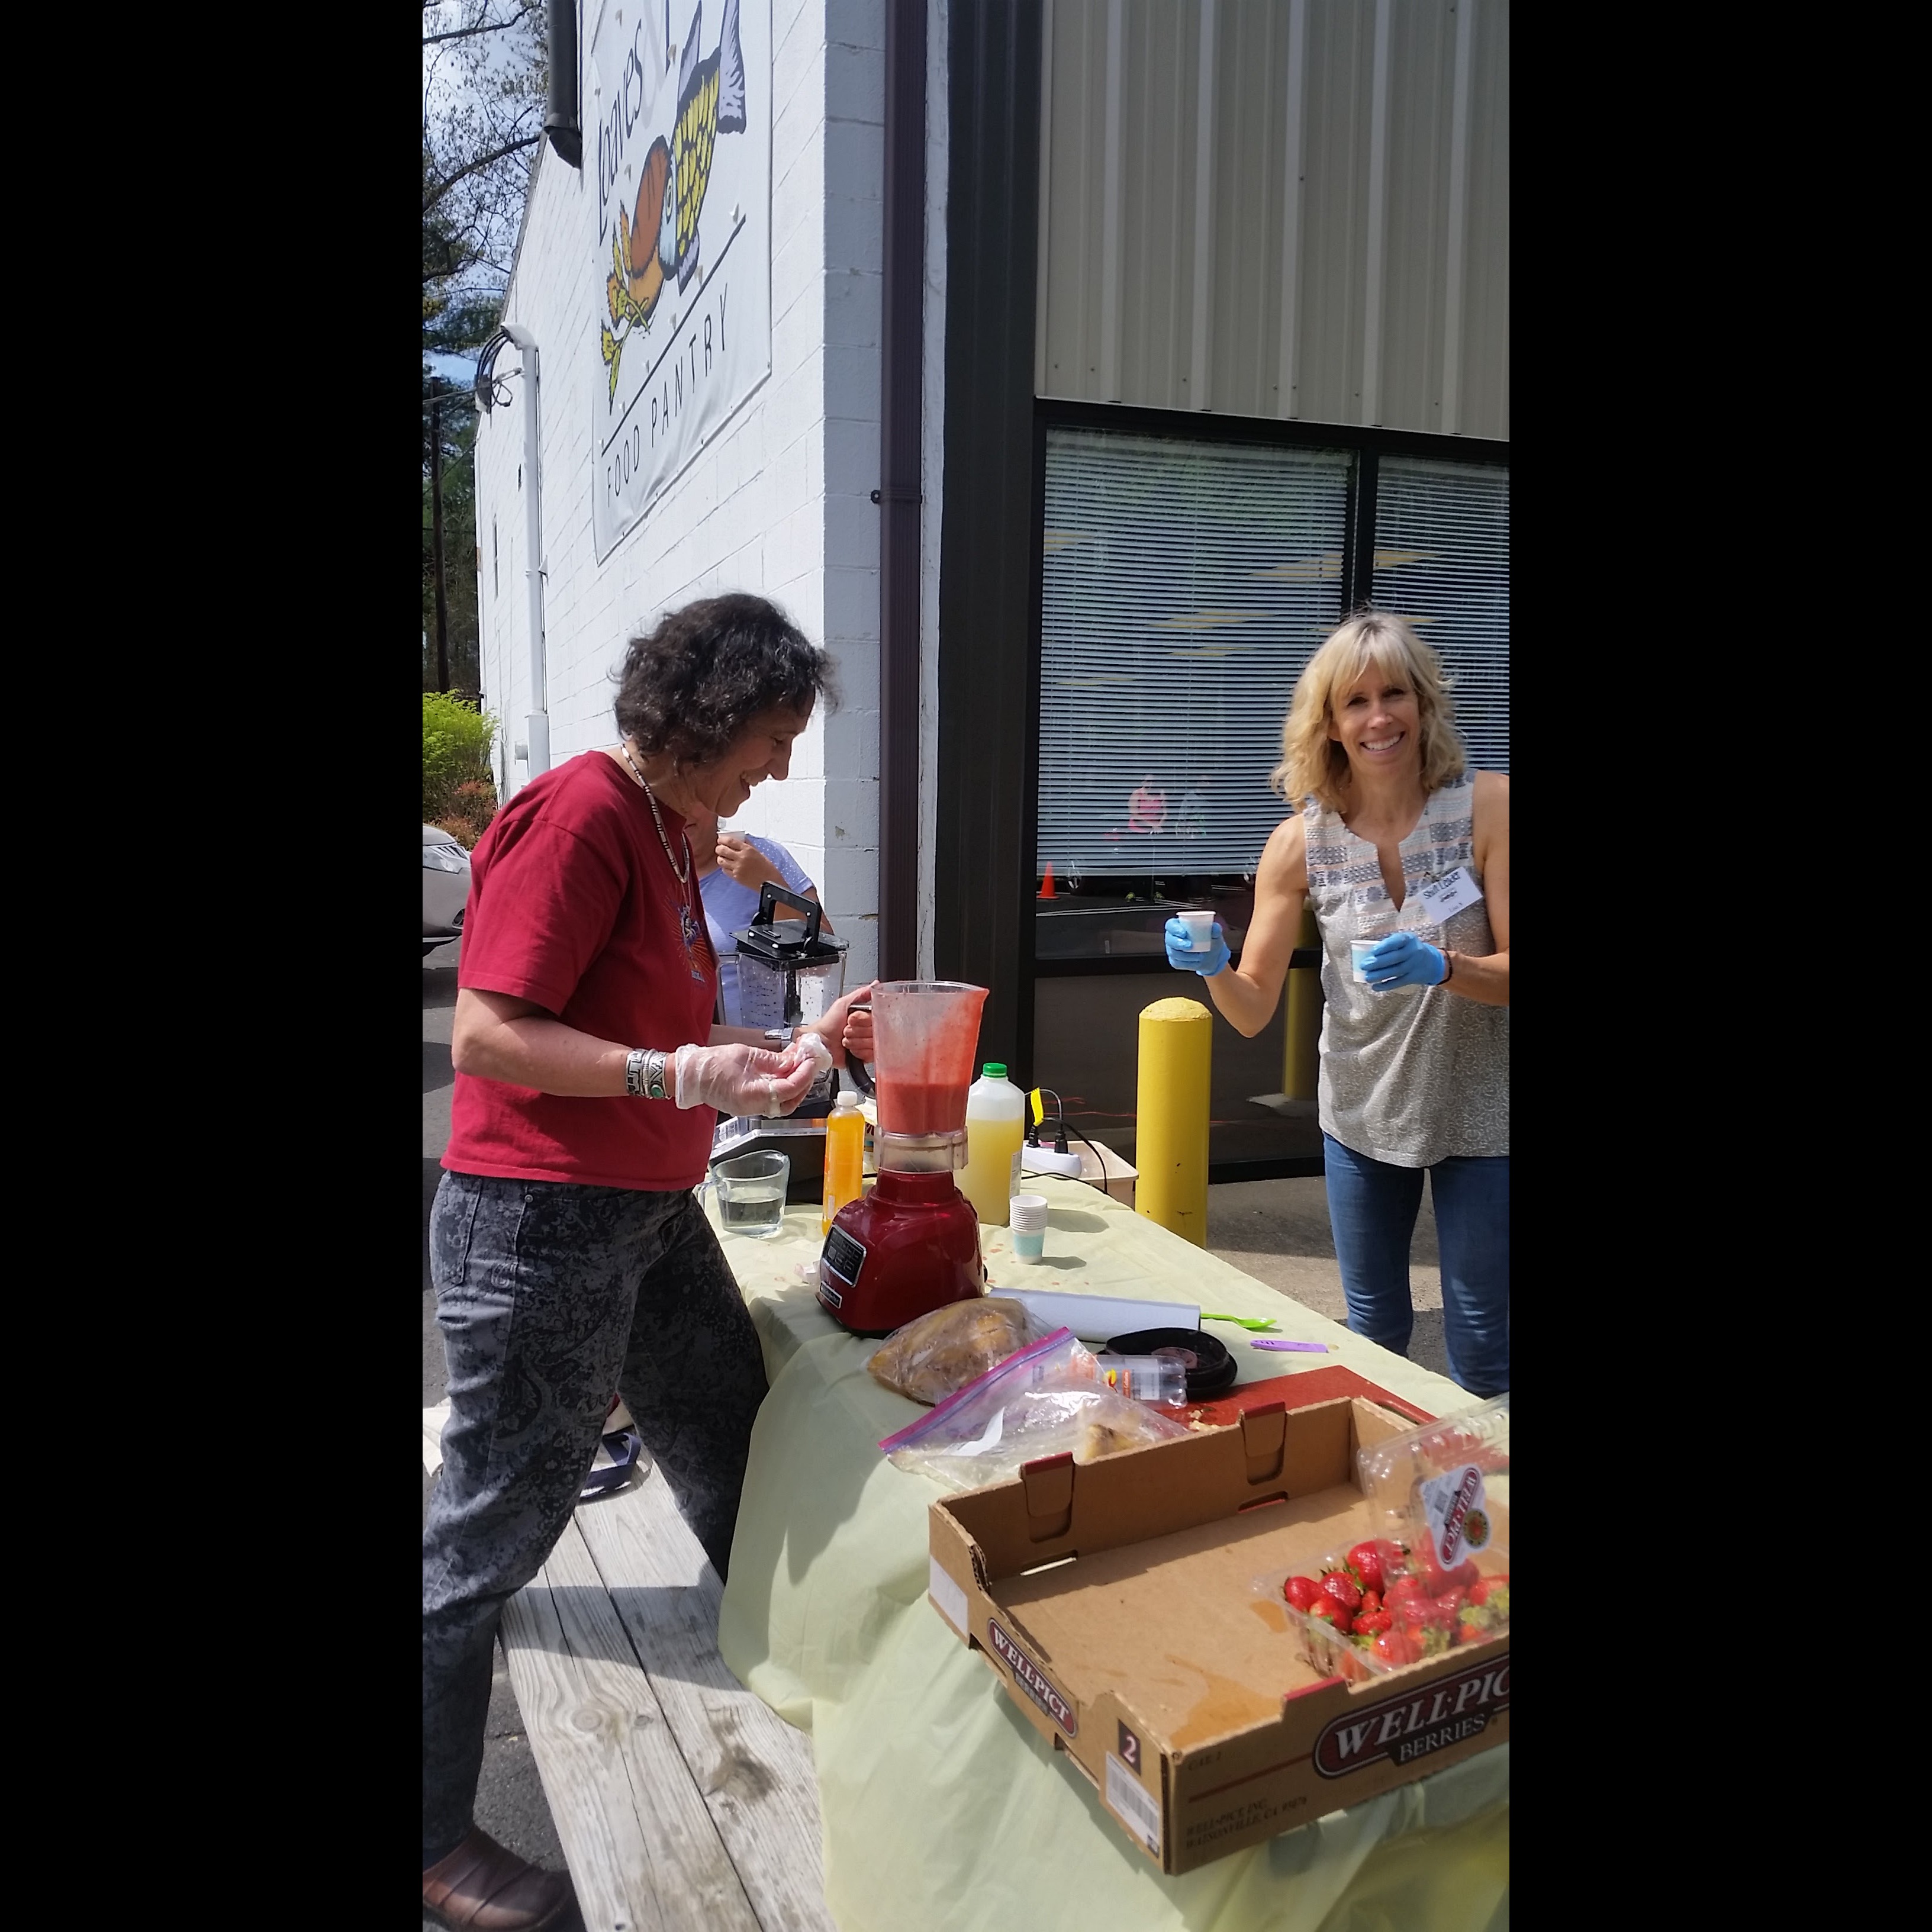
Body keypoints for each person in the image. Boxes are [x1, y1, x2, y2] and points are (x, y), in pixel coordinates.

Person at [422, 593, 876, 1930]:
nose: (778, 770)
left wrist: (794, 1050)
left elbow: (674, 1033)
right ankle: (431, 1836)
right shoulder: (580, 816)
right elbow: (486, 1034)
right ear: (705, 716)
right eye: (771, 739)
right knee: (491, 1526)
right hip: (538, 1222)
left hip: (645, 1207)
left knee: (737, 1432)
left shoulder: (676, 836)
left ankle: (789, 1665)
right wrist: (673, 1073)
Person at [1163, 610, 1508, 1398]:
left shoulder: (1488, 808)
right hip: (1361, 1110)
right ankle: (1381, 1463)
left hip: (1482, 1108)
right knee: (1374, 1331)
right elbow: (1251, 1007)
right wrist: (1214, 966)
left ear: (1424, 703)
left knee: (1485, 1340)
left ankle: (1484, 1476)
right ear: (1328, 722)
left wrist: (1443, 966)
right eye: (1356, 701)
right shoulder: (1300, 843)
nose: (1379, 717)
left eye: (1395, 694)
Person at [689, 806, 833, 1027]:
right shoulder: (645, 867)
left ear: (716, 802)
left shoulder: (762, 855)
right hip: (678, 1045)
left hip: (766, 1043)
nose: (683, 809)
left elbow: (826, 957)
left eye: (694, 797)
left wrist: (767, 883)